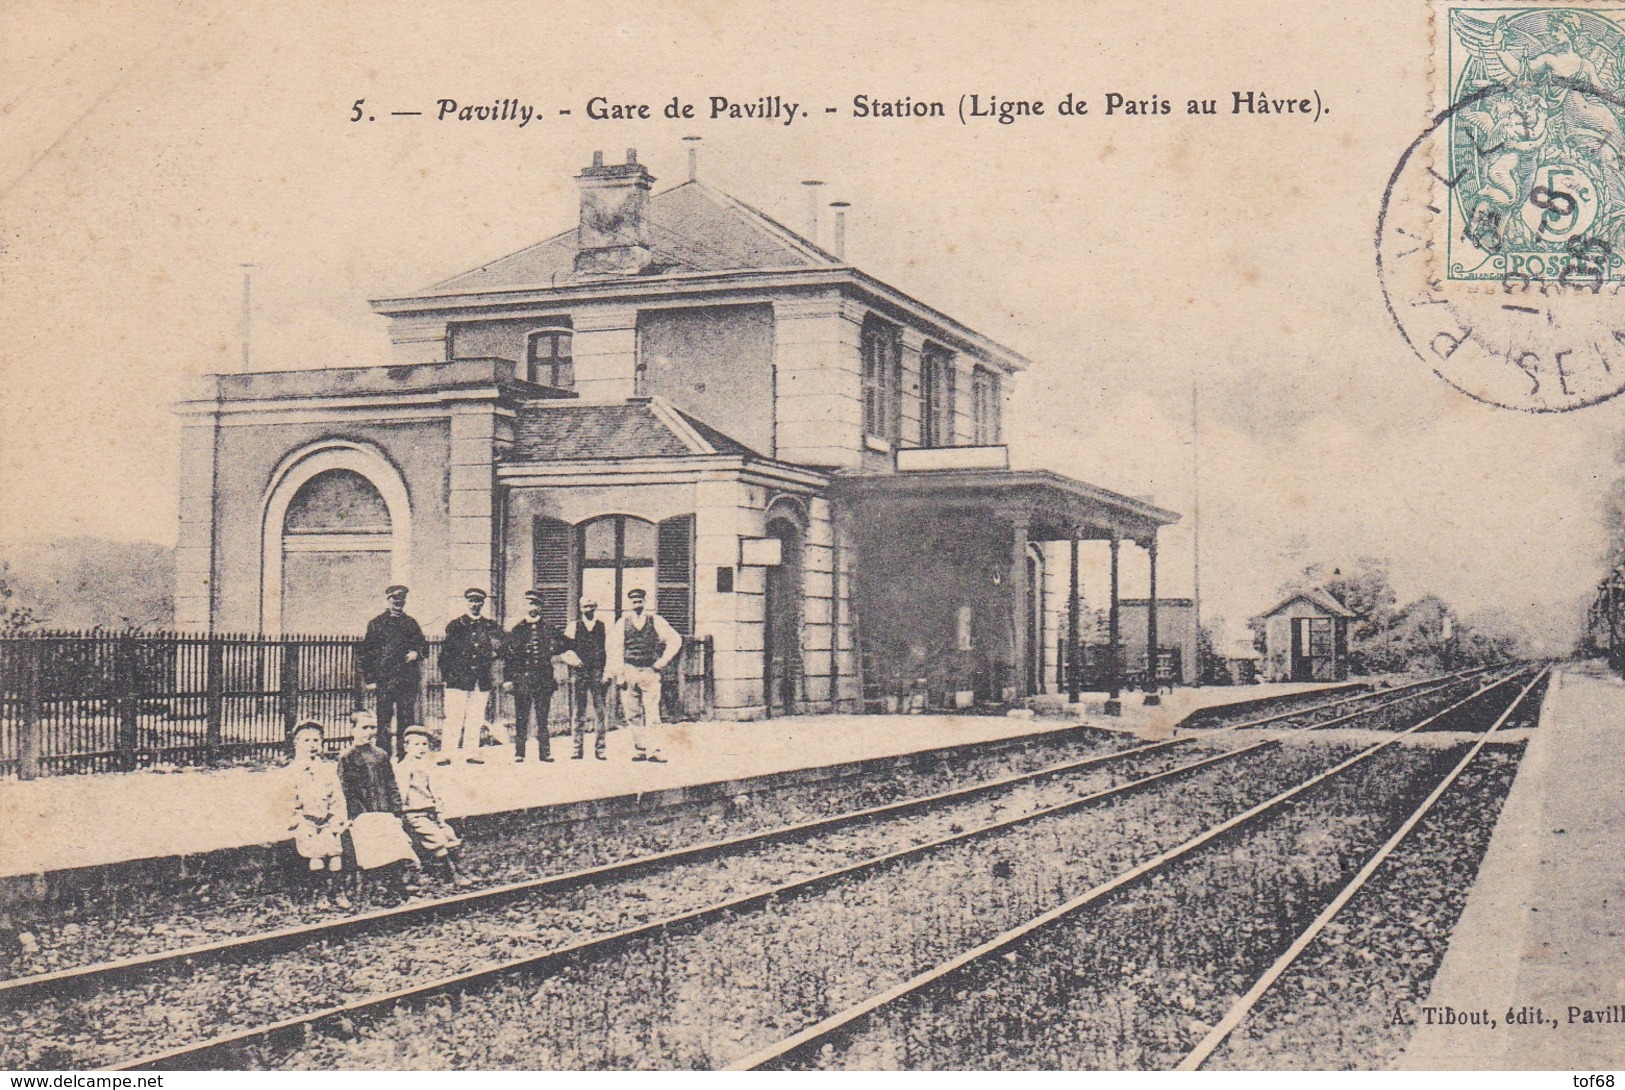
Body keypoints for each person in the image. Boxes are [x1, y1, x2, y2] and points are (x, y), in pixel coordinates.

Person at [338, 711, 417, 898]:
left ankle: (398, 884)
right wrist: (355, 815)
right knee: (372, 841)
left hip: (384, 810)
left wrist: (397, 811)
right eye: (364, 728)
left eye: (372, 727)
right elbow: (345, 790)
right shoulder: (347, 757)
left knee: (394, 837)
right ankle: (379, 886)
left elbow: (391, 784)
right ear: (353, 730)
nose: (369, 732)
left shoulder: (381, 755)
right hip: (362, 813)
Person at [606, 587, 682, 763]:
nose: (637, 604)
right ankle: (639, 749)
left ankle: (654, 750)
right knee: (632, 713)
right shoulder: (622, 622)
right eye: (634, 602)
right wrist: (619, 674)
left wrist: (662, 662)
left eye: (640, 601)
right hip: (629, 670)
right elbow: (613, 648)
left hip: (649, 671)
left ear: (645, 602)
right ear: (629, 603)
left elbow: (675, 640)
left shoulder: (655, 620)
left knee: (653, 712)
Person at [500, 589, 574, 763]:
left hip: (543, 679)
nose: (532, 607)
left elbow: (566, 643)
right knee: (521, 717)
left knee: (543, 718)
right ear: (524, 606)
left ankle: (545, 753)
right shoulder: (517, 630)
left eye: (535, 604)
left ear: (541, 607)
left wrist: (552, 649)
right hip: (522, 679)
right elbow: (509, 657)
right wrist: (508, 679)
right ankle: (519, 752)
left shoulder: (549, 628)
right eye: (529, 603)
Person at [288, 720, 351, 910]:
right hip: (306, 822)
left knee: (334, 853)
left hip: (326, 821)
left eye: (316, 740)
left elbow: (336, 798)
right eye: (306, 740)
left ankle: (338, 892)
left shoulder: (327, 771)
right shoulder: (292, 772)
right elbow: (288, 801)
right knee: (315, 855)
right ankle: (320, 894)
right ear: (297, 743)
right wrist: (297, 821)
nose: (312, 745)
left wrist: (336, 820)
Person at [358, 585, 427, 758]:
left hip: (406, 679)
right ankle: (383, 755)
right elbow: (367, 653)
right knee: (384, 719)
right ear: (388, 600)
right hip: (385, 680)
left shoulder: (410, 623)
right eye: (394, 599)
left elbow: (423, 645)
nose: (398, 602)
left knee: (406, 718)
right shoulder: (377, 623)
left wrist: (416, 653)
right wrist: (370, 679)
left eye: (401, 599)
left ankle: (405, 755)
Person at [396, 728, 470, 887]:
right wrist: (400, 813)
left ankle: (459, 870)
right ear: (406, 747)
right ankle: (449, 876)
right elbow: (401, 792)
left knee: (449, 835)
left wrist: (439, 809)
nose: (422, 748)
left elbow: (434, 790)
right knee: (436, 839)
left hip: (431, 812)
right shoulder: (405, 768)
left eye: (425, 744)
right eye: (417, 744)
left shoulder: (426, 766)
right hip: (415, 813)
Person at [440, 588, 504, 765]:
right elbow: (445, 655)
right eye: (472, 601)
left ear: (483, 603)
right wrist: (448, 677)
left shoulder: (490, 626)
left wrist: (494, 653)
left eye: (478, 601)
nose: (475, 605)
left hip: (480, 679)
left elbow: (503, 644)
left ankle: (471, 752)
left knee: (475, 717)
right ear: (466, 602)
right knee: (454, 717)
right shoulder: (456, 625)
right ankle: (447, 753)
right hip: (458, 680)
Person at [563, 595, 611, 761]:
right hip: (580, 673)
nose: (589, 609)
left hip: (598, 672)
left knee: (600, 712)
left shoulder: (604, 627)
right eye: (585, 606)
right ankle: (577, 748)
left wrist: (607, 673)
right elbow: (565, 649)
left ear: (595, 607)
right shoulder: (573, 627)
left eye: (591, 606)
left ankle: (601, 748)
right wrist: (574, 660)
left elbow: (610, 651)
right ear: (580, 608)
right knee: (578, 711)